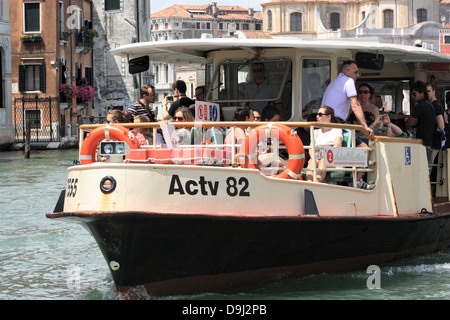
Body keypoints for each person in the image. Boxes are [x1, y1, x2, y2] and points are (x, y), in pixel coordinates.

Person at [321, 60, 374, 139]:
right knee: (364, 147)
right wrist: (365, 126)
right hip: (335, 123)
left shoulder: (334, 82)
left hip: (323, 123)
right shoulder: (348, 81)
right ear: (346, 72)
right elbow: (355, 105)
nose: (358, 75)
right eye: (355, 72)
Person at [306, 106, 343, 182]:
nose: (317, 116)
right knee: (311, 162)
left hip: (332, 158)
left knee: (323, 161)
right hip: (318, 156)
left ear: (328, 116)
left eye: (320, 114)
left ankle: (317, 182)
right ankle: (309, 183)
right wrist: (314, 158)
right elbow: (311, 148)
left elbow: (337, 145)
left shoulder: (337, 130)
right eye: (317, 114)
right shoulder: (315, 132)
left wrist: (325, 157)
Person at [405, 81, 437, 165]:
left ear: (422, 94)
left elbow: (409, 122)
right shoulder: (429, 105)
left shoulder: (420, 106)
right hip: (429, 142)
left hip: (422, 143)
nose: (412, 96)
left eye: (414, 94)